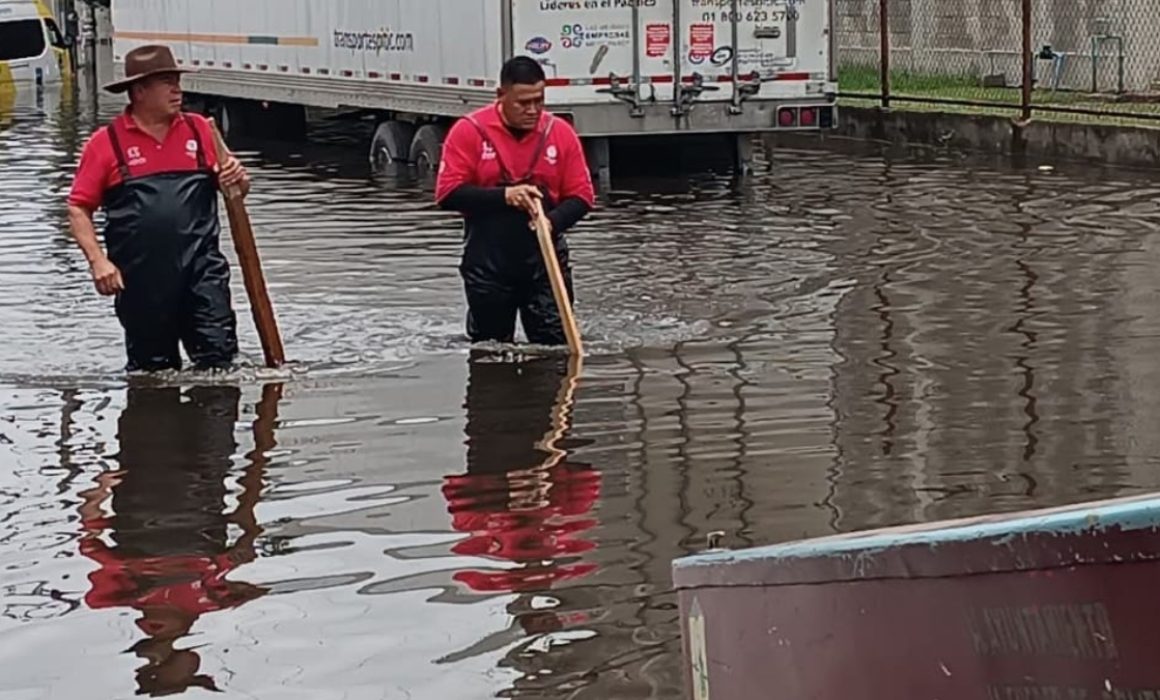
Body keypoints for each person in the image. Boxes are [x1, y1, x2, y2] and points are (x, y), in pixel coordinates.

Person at [66, 44, 250, 373]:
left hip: (201, 271)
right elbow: (79, 208)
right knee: (152, 375)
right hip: (140, 281)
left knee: (220, 365)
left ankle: (217, 421)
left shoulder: (201, 130)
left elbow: (236, 192)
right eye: (166, 81)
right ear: (139, 91)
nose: (177, 89)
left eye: (177, 80)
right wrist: (98, 261)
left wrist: (238, 177)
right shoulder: (106, 143)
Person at [436, 56, 596, 346]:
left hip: (544, 261)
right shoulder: (469, 131)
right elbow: (447, 194)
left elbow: (582, 196)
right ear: (501, 96)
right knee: (490, 350)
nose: (532, 110)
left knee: (555, 348)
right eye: (523, 103)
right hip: (489, 263)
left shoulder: (559, 133)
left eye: (539, 100)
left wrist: (551, 222)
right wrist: (505, 196)